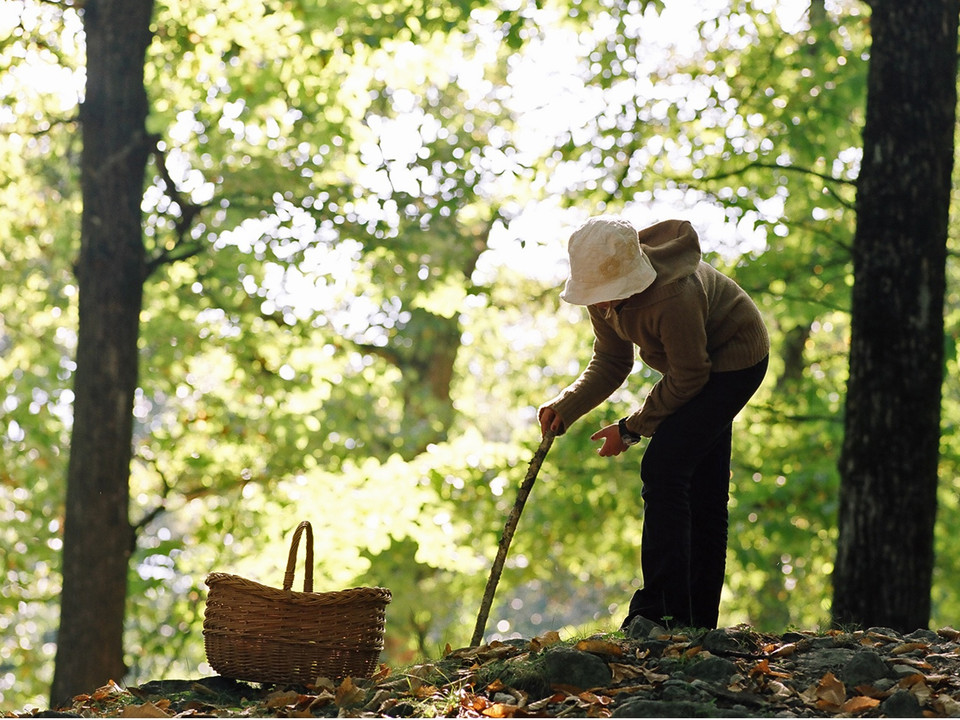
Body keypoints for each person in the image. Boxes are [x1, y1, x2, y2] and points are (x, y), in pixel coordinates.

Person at [539, 215, 769, 631]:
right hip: (696, 368)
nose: (600, 305)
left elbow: (690, 377)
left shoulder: (671, 296)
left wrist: (630, 428)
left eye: (606, 295)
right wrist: (566, 406)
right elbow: (611, 360)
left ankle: (661, 611)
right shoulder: (602, 296)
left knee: (665, 468)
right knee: (696, 484)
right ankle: (693, 623)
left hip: (735, 361)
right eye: (593, 295)